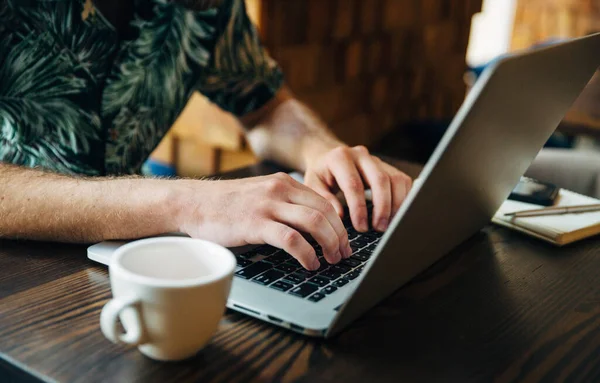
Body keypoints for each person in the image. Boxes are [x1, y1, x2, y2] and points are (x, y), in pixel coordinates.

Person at [0, 0, 412, 271]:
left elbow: (265, 106)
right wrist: (190, 202)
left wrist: (322, 151)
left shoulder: (207, 7)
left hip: (125, 261)